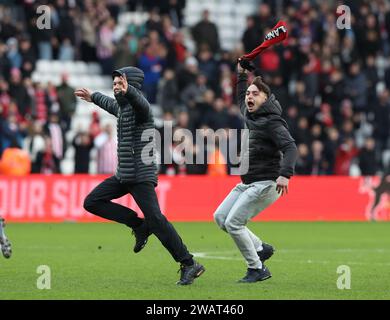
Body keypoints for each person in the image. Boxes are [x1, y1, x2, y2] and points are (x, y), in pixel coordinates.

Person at [74, 66, 205, 285]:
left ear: (131, 85)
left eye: (120, 83)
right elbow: (109, 103)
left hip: (141, 175)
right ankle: (138, 225)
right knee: (92, 202)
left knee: (157, 220)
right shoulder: (122, 108)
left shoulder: (141, 108)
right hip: (124, 174)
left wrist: (130, 92)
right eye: (114, 83)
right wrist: (93, 97)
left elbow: (141, 103)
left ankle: (189, 263)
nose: (116, 87)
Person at [214, 61, 298, 283]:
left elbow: (290, 148)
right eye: (249, 94)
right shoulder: (251, 115)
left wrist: (285, 174)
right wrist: (242, 74)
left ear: (265, 99)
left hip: (266, 183)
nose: (249, 97)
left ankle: (257, 268)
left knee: (234, 224)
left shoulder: (273, 122)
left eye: (255, 94)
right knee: (221, 217)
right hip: (248, 182)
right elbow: (240, 93)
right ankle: (260, 248)